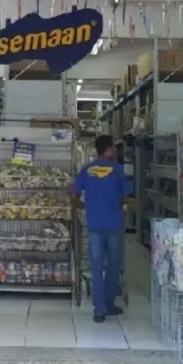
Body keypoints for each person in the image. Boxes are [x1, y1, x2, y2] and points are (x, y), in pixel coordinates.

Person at [71, 134, 129, 323]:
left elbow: (73, 195)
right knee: (113, 265)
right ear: (109, 149)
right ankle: (109, 303)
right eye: (114, 148)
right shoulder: (117, 170)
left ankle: (99, 310)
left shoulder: (86, 169)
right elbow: (125, 197)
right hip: (113, 223)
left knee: (95, 266)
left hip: (94, 224)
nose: (115, 151)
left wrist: (86, 207)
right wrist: (117, 206)